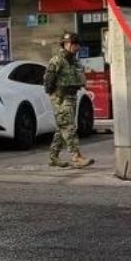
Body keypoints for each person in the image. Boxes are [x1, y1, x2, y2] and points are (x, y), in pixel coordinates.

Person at [44, 32, 94, 169]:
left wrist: (85, 88)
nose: (76, 47)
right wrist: (56, 96)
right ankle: (76, 157)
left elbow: (80, 79)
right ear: (65, 44)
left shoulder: (75, 62)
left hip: (72, 97)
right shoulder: (57, 60)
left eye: (77, 44)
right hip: (61, 97)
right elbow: (48, 81)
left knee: (62, 128)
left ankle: (53, 157)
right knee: (69, 127)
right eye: (73, 44)